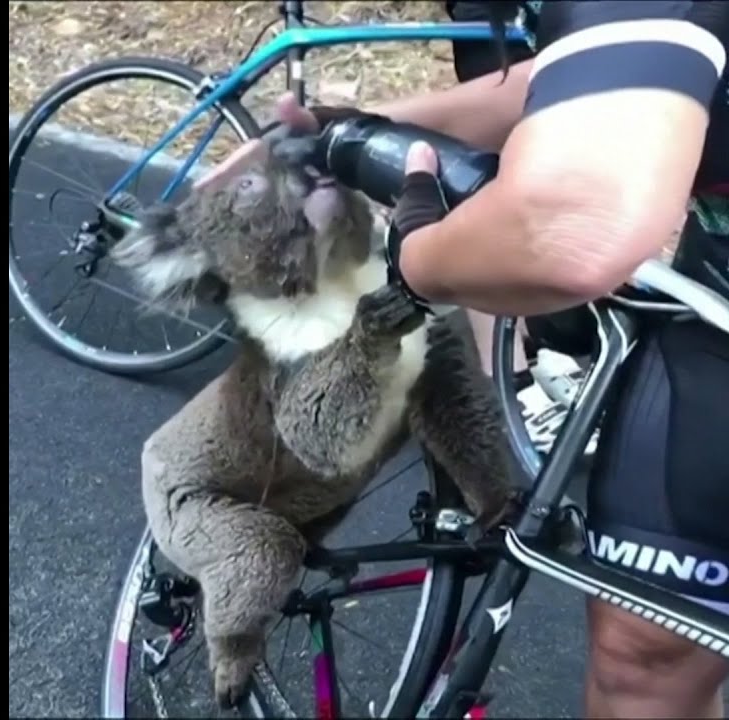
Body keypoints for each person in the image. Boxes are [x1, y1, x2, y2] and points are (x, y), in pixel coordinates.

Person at [195, 1, 729, 717]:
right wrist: (347, 131)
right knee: (646, 656)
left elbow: (568, 223)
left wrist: (420, 260)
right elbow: (590, 81)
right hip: (710, 315)